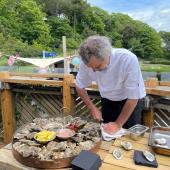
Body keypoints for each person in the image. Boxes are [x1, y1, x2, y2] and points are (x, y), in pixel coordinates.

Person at [75, 35, 146, 134]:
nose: (94, 70)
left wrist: (117, 124)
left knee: (130, 136)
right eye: (91, 67)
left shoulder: (127, 59)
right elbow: (79, 86)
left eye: (98, 66)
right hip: (107, 101)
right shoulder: (86, 63)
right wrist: (92, 107)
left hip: (129, 102)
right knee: (107, 134)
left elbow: (133, 98)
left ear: (107, 54)